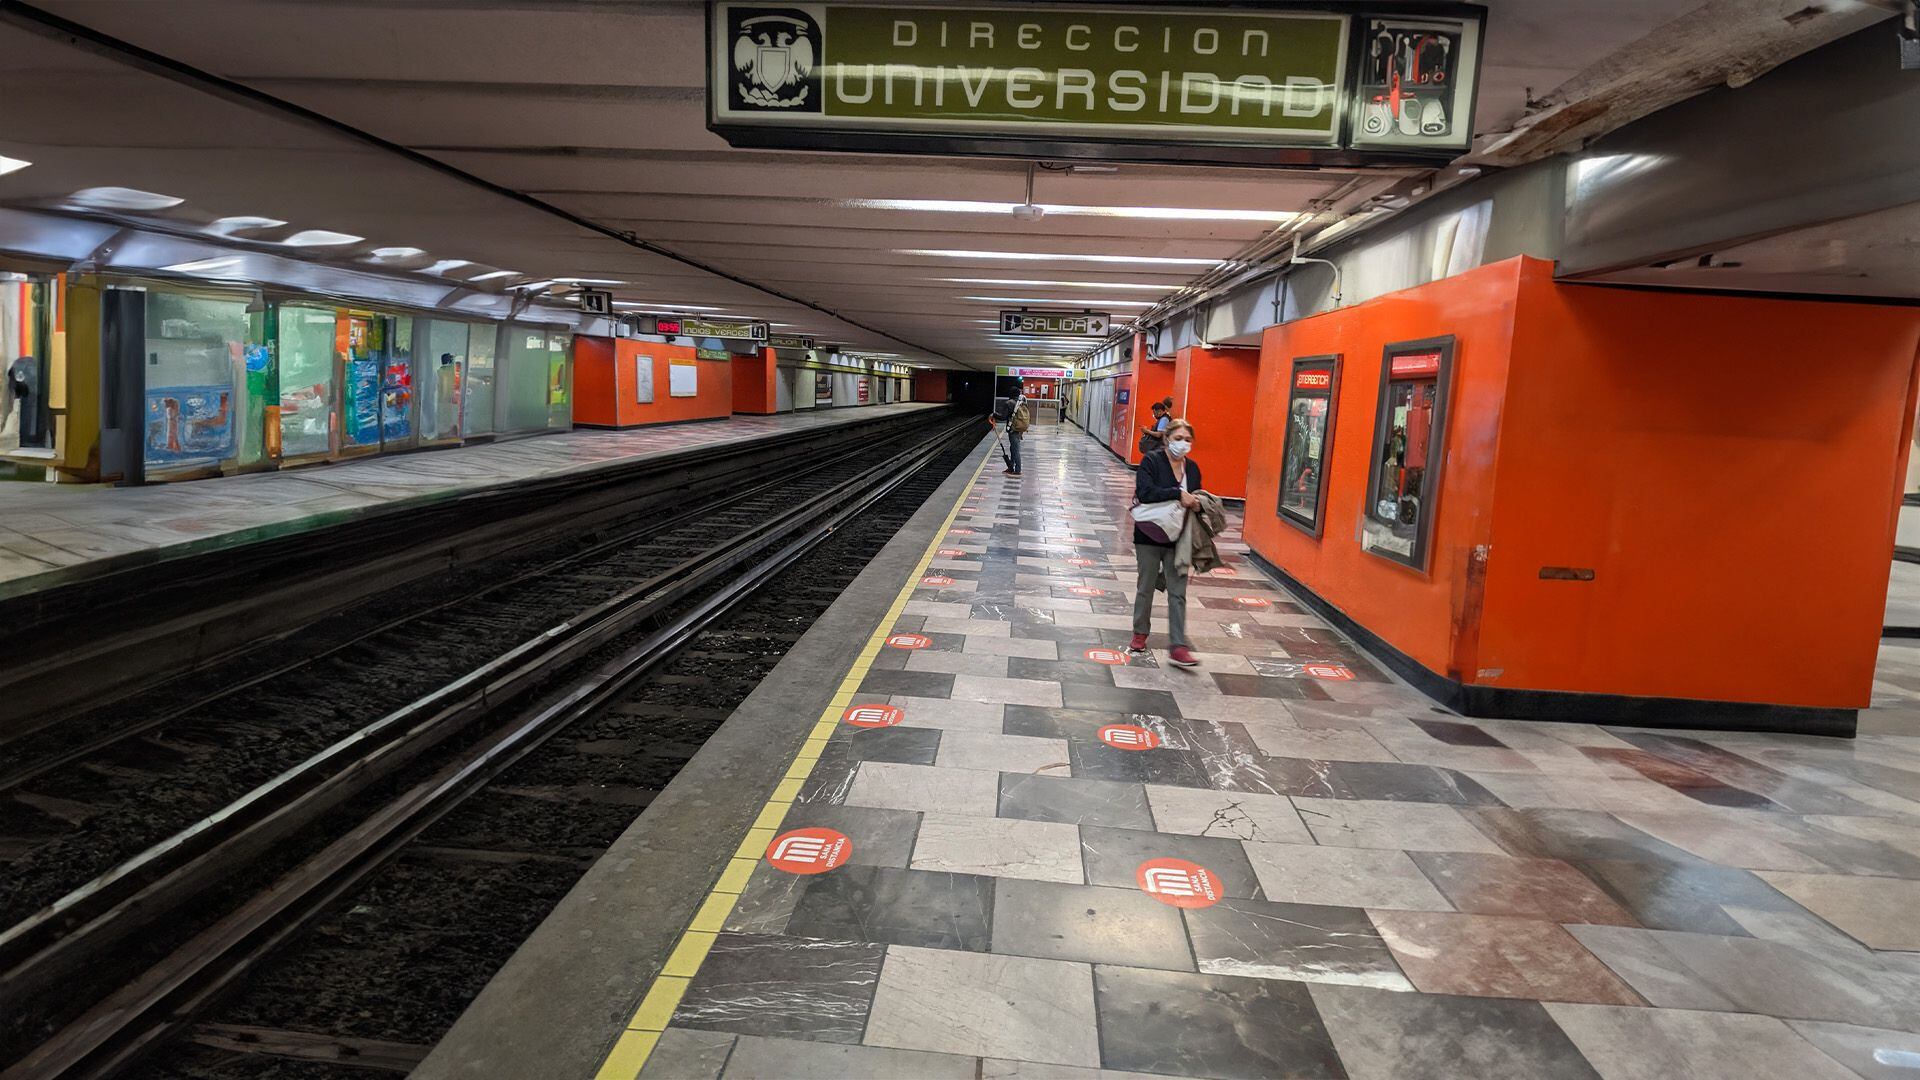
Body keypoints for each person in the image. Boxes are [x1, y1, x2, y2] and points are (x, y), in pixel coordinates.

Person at [1130, 418, 1202, 667]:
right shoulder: (1152, 461)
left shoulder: (1192, 469)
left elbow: (1197, 494)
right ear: (1167, 438)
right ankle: (1140, 632)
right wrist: (1176, 493)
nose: (1183, 444)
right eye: (1178, 438)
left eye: (1188, 439)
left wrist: (1198, 502)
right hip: (1149, 534)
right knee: (1146, 586)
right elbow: (1145, 492)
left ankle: (1178, 645)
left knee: (1178, 592)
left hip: (1179, 537)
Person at [992, 390, 1029, 476]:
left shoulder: (1009, 403)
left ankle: (1018, 470)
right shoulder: (1021, 402)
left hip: (1013, 429)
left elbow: (1003, 417)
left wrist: (994, 414)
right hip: (1019, 429)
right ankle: (1011, 467)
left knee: (1015, 449)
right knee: (1013, 449)